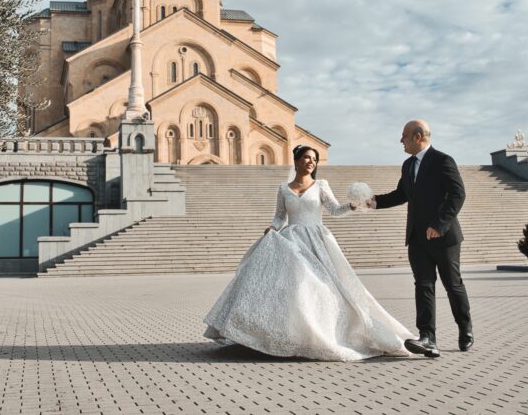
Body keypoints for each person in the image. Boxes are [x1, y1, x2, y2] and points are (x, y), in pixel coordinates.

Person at [203, 144, 417, 361]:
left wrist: (352, 206)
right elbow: (280, 216)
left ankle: (322, 334)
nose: (311, 162)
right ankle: (285, 335)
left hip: (316, 240)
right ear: (296, 161)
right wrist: (273, 227)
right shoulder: (283, 189)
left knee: (318, 286)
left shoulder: (321, 185)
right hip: (291, 241)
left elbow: (334, 210)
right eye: (306, 157)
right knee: (292, 287)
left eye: (314, 159)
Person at [368, 119, 473, 358]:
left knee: (452, 284)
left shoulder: (443, 160)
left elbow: (457, 194)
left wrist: (439, 224)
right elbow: (401, 194)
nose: (401, 141)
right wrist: (373, 202)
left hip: (444, 237)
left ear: (418, 137)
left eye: (404, 136)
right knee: (423, 285)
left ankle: (465, 328)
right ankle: (427, 337)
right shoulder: (408, 165)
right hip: (417, 237)